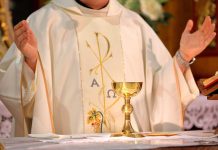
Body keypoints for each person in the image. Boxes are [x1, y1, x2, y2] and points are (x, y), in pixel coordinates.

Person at [0, 0, 216, 136]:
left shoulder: (134, 24)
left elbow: (161, 92)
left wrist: (183, 56)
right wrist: (31, 62)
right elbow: (22, 101)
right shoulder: (44, 22)